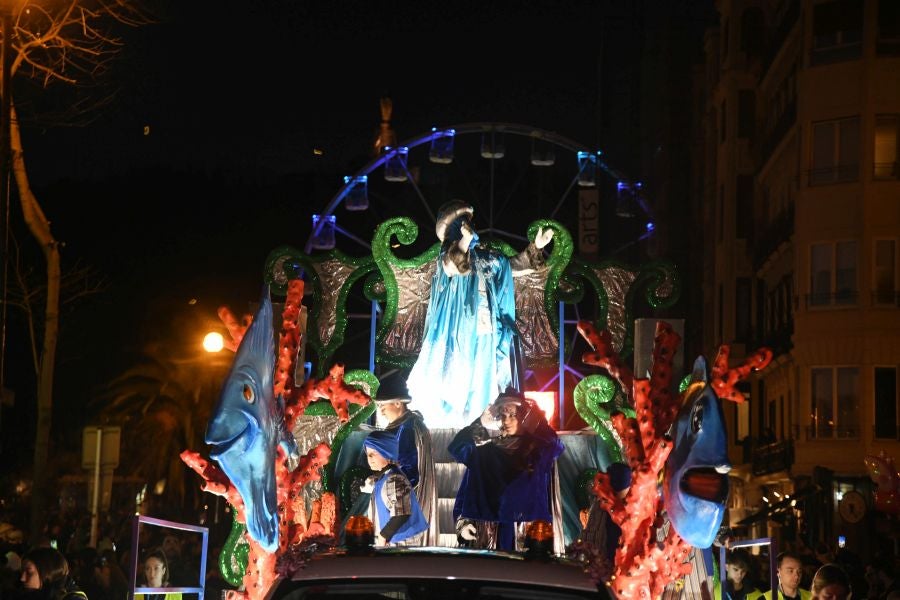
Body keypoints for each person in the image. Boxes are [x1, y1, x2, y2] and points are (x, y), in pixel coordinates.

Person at [406, 200, 554, 428]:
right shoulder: (446, 256)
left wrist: (535, 247)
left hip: (487, 326)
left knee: (484, 371)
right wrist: (464, 242)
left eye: (466, 222)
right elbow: (451, 266)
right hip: (457, 329)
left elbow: (510, 265)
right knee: (457, 371)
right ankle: (453, 418)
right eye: (459, 223)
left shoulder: (486, 258)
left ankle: (480, 418)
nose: (465, 226)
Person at [449, 389, 564, 552]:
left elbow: (555, 445)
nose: (507, 420)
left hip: (525, 531)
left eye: (512, 415)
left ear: (523, 416)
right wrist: (464, 522)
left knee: (522, 576)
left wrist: (538, 420)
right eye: (502, 415)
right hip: (489, 530)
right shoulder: (486, 449)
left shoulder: (536, 449)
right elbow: (459, 450)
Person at [372, 372, 438, 546]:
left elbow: (409, 473)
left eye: (383, 405)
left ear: (398, 403)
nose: (382, 411)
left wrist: (380, 481)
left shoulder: (406, 429)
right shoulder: (410, 425)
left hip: (404, 511)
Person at [360, 429, 429, 546]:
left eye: (373, 453)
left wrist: (384, 535)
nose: (369, 458)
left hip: (402, 540)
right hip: (394, 539)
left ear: (386, 453)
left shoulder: (394, 479)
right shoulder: (384, 478)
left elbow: (401, 514)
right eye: (368, 455)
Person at [18, 547, 87, 600]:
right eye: (22, 571)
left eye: (29, 572)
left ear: (48, 572)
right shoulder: (31, 595)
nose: (22, 578)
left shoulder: (73, 598)